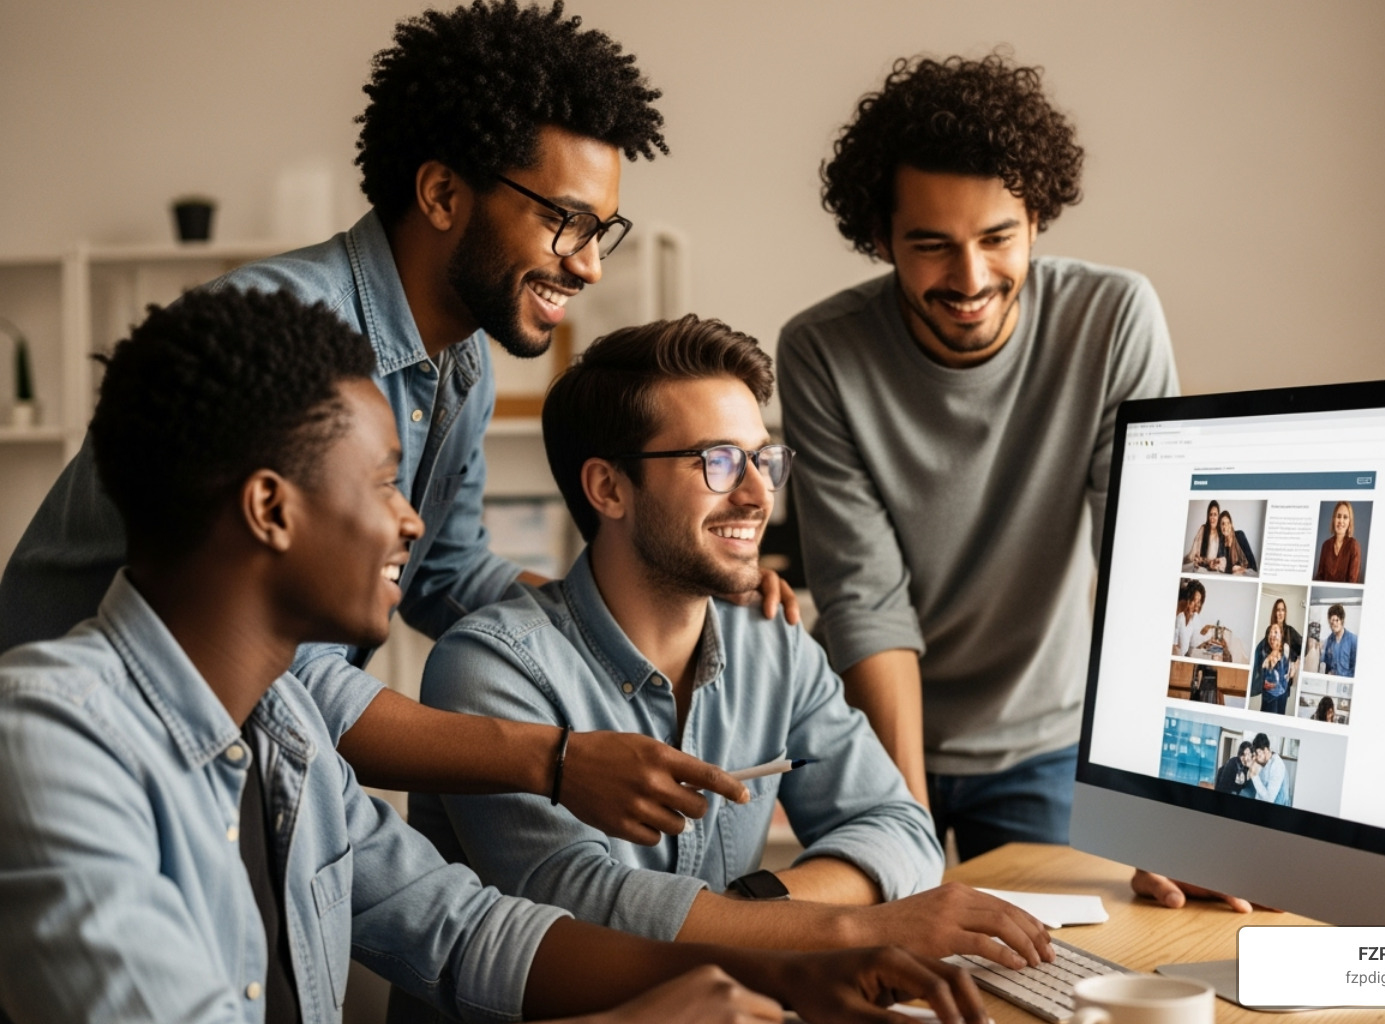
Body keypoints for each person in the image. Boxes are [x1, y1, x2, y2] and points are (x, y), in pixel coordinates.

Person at [0, 290, 987, 1024]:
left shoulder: (286, 729)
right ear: (271, 508)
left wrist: (782, 972)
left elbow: (464, 930)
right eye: (383, 482)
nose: (412, 521)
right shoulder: (48, 736)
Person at [0, 0, 776, 844]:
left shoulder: (463, 362)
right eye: (565, 221)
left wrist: (654, 584)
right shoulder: (280, 339)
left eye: (602, 230)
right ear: (442, 194)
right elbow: (286, 672)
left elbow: (443, 571)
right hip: (75, 775)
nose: (588, 264)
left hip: (222, 769)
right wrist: (554, 759)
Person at [395, 317, 1054, 1024]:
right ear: (609, 488)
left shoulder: (772, 644)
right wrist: (854, 926)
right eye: (717, 461)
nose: (757, 494)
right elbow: (582, 911)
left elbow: (898, 827)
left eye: (763, 460)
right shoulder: (490, 668)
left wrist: (753, 906)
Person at [776, 53, 1179, 858]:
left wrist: (1163, 807)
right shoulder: (822, 351)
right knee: (891, 923)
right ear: (881, 237)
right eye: (931, 245)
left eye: (997, 238)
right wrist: (907, 835)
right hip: (869, 728)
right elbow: (864, 599)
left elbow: (1146, 567)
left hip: (1046, 739)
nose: (970, 279)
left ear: (1037, 221)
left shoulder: (1112, 320)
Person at [1315, 501, 1362, 583]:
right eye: (1338, 516)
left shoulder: (1354, 546)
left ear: (1349, 522)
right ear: (1334, 519)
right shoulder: (1325, 545)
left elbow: (1353, 581)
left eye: (1345, 517)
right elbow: (1319, 577)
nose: (1341, 521)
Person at [1251, 623, 1291, 715]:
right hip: (1269, 700)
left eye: (1275, 632)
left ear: (1281, 636)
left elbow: (1287, 675)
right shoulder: (1265, 656)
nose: (1272, 635)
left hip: (1281, 699)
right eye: (1270, 633)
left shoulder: (1285, 651)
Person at [1172, 581, 1218, 657]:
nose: (1196, 609)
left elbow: (1193, 642)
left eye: (1198, 603)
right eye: (1194, 601)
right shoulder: (1178, 617)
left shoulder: (1192, 618)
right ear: (1186, 599)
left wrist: (1207, 640)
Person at [1248, 733, 1291, 806]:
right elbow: (1260, 792)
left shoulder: (1277, 765)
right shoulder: (1266, 762)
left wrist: (1254, 776)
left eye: (1258, 754)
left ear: (1265, 750)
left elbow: (1269, 799)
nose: (1256, 758)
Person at [1319, 604, 1359, 678]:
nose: (1334, 624)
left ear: (1342, 620)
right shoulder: (1329, 641)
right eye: (1332, 621)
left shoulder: (1353, 640)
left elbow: (1356, 668)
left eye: (1337, 620)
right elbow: (1326, 665)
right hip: (1332, 681)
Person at [1214, 510, 1257, 575]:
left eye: (1228, 523)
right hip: (1230, 575)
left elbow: (1252, 563)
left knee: (1235, 568)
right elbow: (1221, 567)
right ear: (1219, 526)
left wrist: (1242, 569)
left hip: (1246, 573)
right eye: (1223, 524)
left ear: (1231, 524)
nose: (1225, 527)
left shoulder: (1240, 535)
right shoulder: (1221, 543)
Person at [1184, 501, 1221, 571]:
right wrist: (1197, 559)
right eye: (1210, 514)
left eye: (1215, 514)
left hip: (1213, 569)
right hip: (1201, 566)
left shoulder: (1220, 534)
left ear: (1218, 516)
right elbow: (1194, 553)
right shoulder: (1203, 529)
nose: (1212, 518)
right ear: (1208, 516)